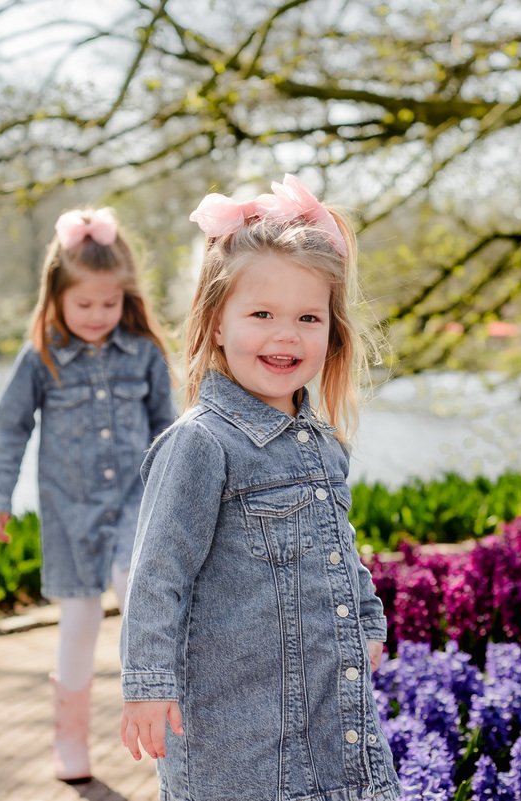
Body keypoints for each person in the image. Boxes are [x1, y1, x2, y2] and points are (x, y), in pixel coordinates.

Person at [119, 175, 401, 801]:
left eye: (308, 317)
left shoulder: (322, 442)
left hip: (332, 725)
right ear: (216, 323)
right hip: (236, 746)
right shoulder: (202, 444)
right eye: (262, 315)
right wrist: (146, 682)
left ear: (333, 334)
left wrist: (366, 616)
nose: (286, 335)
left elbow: (340, 545)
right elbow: (158, 573)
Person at [0, 206, 173, 784]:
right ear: (57, 296)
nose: (97, 316)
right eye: (84, 304)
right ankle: (69, 740)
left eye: (109, 305)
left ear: (127, 299)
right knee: (80, 622)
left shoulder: (142, 352)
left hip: (136, 507)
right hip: (69, 514)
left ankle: (166, 717)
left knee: (139, 592)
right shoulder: (41, 356)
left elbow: (170, 431)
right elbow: (7, 429)